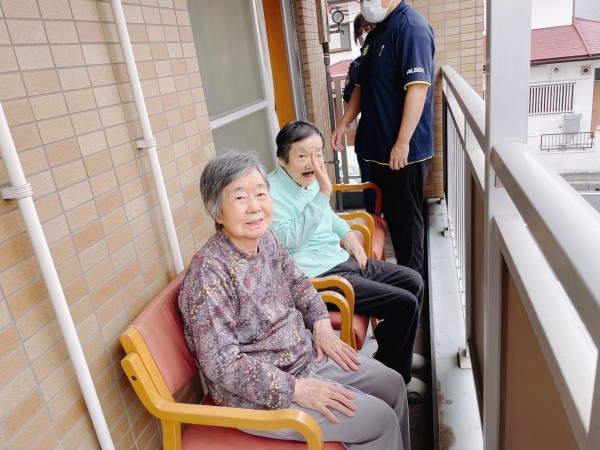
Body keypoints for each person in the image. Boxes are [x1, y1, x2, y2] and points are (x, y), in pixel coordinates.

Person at [178, 151, 410, 449]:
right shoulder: (209, 273)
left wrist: (321, 324)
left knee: (393, 385)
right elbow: (222, 364)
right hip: (262, 396)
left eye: (260, 193)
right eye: (239, 198)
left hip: (305, 355)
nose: (254, 207)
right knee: (380, 421)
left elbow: (300, 283)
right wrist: (296, 389)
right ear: (217, 212)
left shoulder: (266, 240)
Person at [268, 120, 428, 403]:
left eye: (317, 154)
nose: (312, 162)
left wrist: (348, 235)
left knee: (413, 281)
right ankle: (397, 379)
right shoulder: (270, 192)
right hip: (319, 278)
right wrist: (323, 194)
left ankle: (392, 354)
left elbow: (330, 218)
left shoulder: (306, 179)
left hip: (341, 259)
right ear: (282, 159)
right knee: (404, 303)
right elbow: (289, 239)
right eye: (302, 155)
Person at [332, 0, 436, 277]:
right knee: (392, 221)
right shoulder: (377, 33)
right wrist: (343, 124)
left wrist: (402, 142)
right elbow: (361, 87)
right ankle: (404, 282)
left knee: (407, 227)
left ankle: (414, 289)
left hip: (404, 154)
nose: (366, 2)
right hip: (380, 151)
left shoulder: (411, 28)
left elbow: (418, 88)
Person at [342, 13, 376, 213]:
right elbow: (349, 96)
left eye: (368, 28)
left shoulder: (390, 59)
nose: (364, 34)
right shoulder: (356, 65)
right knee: (369, 184)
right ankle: (373, 220)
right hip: (367, 133)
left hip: (391, 135)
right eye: (360, 31)